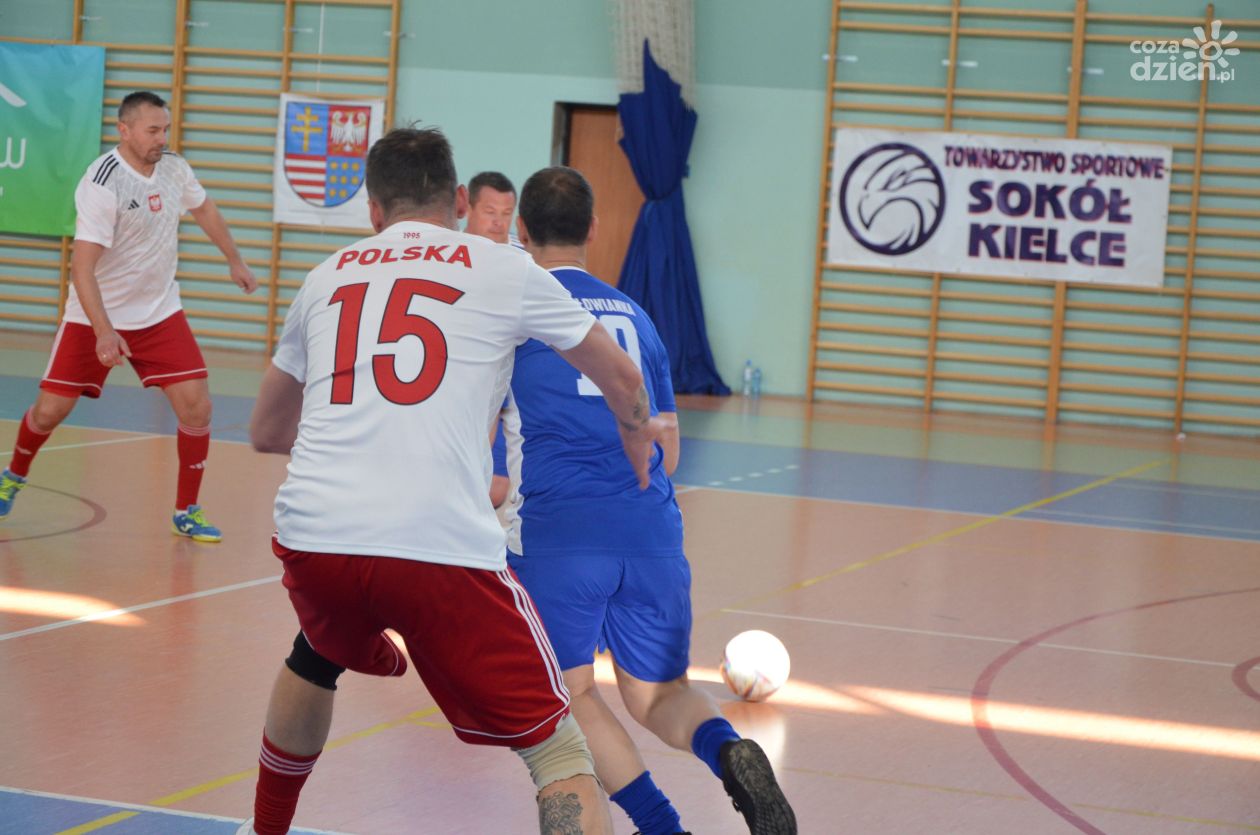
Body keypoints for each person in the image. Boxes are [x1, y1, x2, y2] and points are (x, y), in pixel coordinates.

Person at [240, 128, 667, 835]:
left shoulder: (325, 277)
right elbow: (622, 378)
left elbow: (265, 431)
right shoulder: (503, 268)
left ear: (374, 210)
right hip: (439, 548)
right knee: (560, 750)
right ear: (462, 200)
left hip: (315, 539)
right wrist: (635, 435)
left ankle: (264, 829)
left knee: (313, 654)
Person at [503, 167, 798, 835]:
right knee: (660, 693)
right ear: (593, 228)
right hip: (651, 529)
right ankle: (730, 751)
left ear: (522, 230)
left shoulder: (517, 315)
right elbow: (670, 449)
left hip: (560, 531)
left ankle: (663, 827)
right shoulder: (636, 316)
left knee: (572, 695)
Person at [0, 90, 258, 541]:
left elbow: (204, 208)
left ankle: (186, 510)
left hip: (159, 312)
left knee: (197, 406)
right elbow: (82, 268)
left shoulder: (174, 168)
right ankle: (13, 475)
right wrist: (104, 331)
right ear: (124, 130)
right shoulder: (103, 182)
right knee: (49, 411)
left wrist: (234, 259)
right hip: (94, 315)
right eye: (152, 130)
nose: (162, 138)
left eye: (165, 129)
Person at [464, 170, 519, 246]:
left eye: (506, 213)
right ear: (468, 210)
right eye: (490, 212)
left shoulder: (527, 252)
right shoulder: (449, 248)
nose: (499, 222)